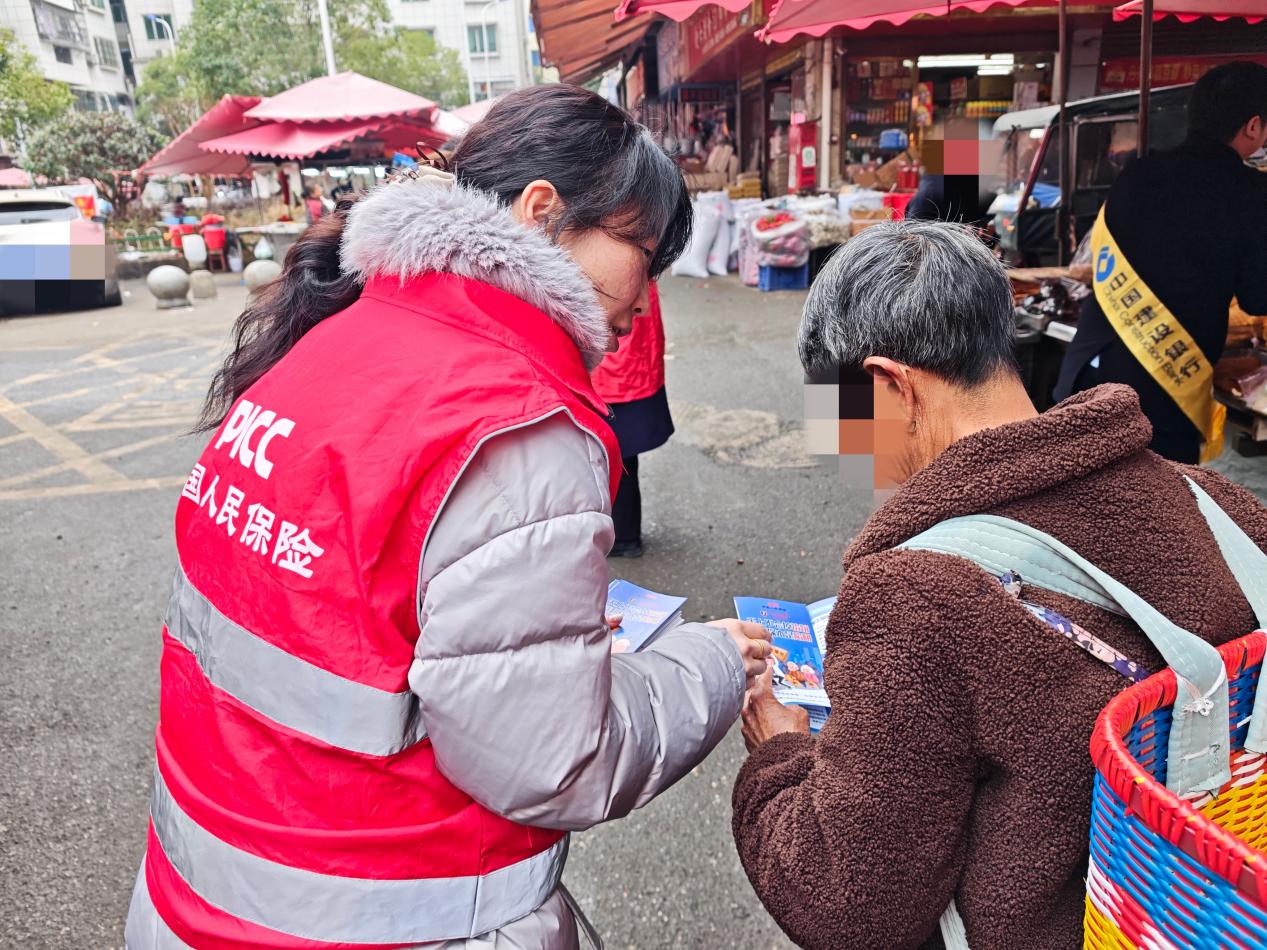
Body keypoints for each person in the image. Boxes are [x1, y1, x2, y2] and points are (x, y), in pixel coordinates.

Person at [124, 84, 772, 950]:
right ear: (542, 212)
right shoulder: (516, 420)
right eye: (641, 255)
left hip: (199, 893)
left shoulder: (334, 341)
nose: (643, 295)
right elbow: (553, 762)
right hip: (393, 908)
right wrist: (713, 663)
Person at [732, 220, 1267, 949]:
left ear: (890, 385)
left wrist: (778, 756)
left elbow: (849, 906)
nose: (840, 445)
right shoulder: (1217, 505)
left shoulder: (914, 596)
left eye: (842, 415)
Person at [1055, 62, 1267, 463]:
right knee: (1152, 516)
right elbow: (1257, 297)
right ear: (1253, 126)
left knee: (1077, 509)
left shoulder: (1136, 173)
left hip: (1084, 373)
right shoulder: (1250, 192)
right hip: (1157, 397)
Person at [590, 280, 673, 557]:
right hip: (626, 353)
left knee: (610, 452)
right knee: (617, 454)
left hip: (612, 351)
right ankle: (622, 534)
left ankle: (620, 535)